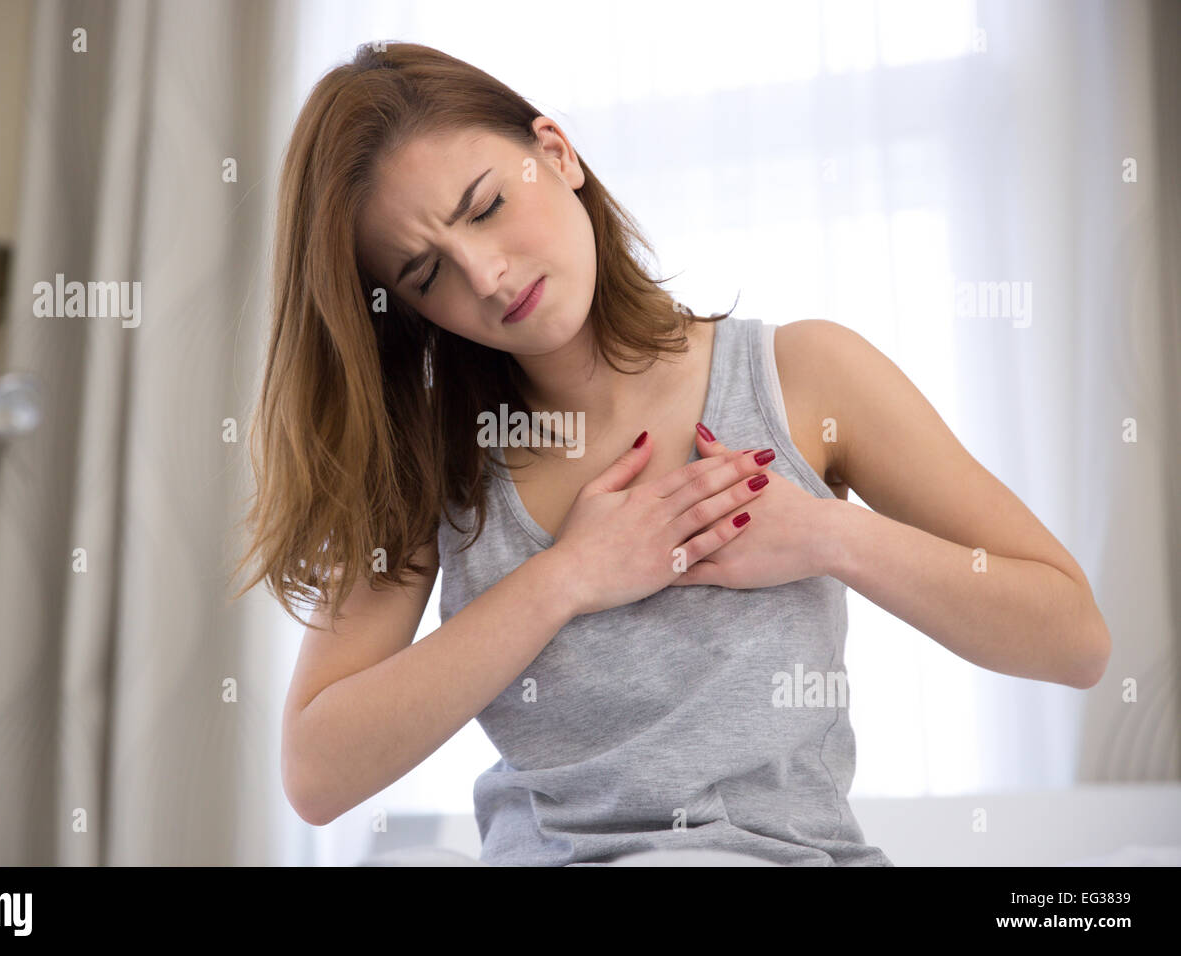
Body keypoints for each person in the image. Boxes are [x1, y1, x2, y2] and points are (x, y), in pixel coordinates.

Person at [233, 41, 1108, 867]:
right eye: (428, 274)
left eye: (489, 206)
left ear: (557, 152)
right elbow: (317, 771)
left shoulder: (804, 377)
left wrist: (825, 537)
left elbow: (1074, 640)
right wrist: (568, 575)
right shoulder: (436, 459)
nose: (487, 277)